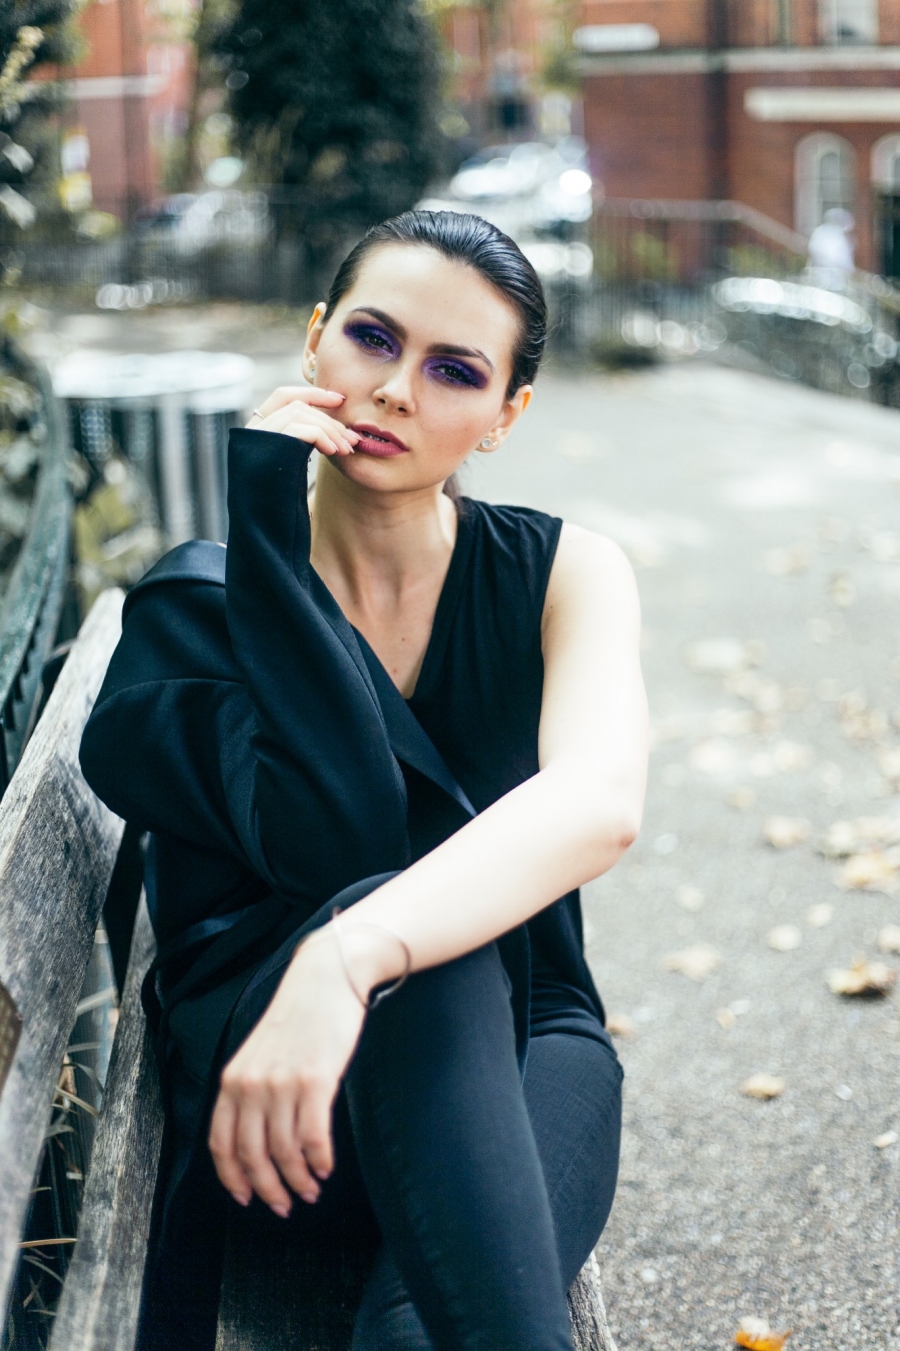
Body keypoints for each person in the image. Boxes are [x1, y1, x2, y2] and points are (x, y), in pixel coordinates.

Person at [80, 210, 648, 1351]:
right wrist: (266, 527)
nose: (395, 390)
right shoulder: (191, 613)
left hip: (532, 1029)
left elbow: (599, 804)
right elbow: (339, 832)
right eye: (373, 338)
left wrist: (351, 952)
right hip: (282, 1084)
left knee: (416, 1329)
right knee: (430, 959)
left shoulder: (565, 574)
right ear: (314, 339)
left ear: (505, 415)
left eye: (454, 371)